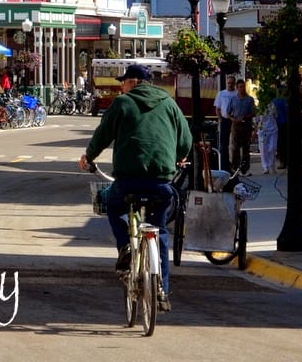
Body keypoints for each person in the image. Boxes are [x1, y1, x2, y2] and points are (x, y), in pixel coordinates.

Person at [78, 63, 192, 312]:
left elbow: (103, 134)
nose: (122, 86)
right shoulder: (169, 103)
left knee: (113, 204)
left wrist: (89, 156)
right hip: (161, 181)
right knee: (159, 230)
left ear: (133, 82)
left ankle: (126, 247)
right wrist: (179, 157)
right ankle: (161, 290)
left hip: (128, 179)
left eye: (124, 81)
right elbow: (186, 139)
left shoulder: (123, 103)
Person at [227, 79, 255, 175]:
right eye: (239, 87)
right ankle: (235, 168)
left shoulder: (249, 99)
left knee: (246, 148)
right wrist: (233, 119)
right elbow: (228, 113)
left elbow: (253, 113)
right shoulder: (233, 99)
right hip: (236, 125)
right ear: (237, 88)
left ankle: (245, 169)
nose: (241, 89)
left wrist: (245, 117)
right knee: (235, 148)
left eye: (243, 87)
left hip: (246, 125)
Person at [214, 75, 238, 171]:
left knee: (235, 144)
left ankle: (235, 165)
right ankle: (225, 165)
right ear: (226, 83)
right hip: (224, 120)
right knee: (224, 144)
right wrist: (220, 119)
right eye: (229, 83)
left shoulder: (237, 94)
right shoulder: (221, 94)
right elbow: (217, 108)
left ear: (234, 83)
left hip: (235, 120)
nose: (230, 84)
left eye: (232, 83)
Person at [255, 100, 278, 174]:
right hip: (262, 130)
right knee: (263, 149)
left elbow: (276, 115)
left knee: (272, 148)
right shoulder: (259, 108)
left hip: (273, 129)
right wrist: (255, 130)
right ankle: (266, 167)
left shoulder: (272, 105)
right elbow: (256, 120)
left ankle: (272, 165)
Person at [272, 87, 288, 169]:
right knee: (286, 143)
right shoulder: (286, 101)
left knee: (280, 144)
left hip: (278, 124)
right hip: (286, 123)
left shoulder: (274, 101)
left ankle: (282, 161)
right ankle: (285, 161)